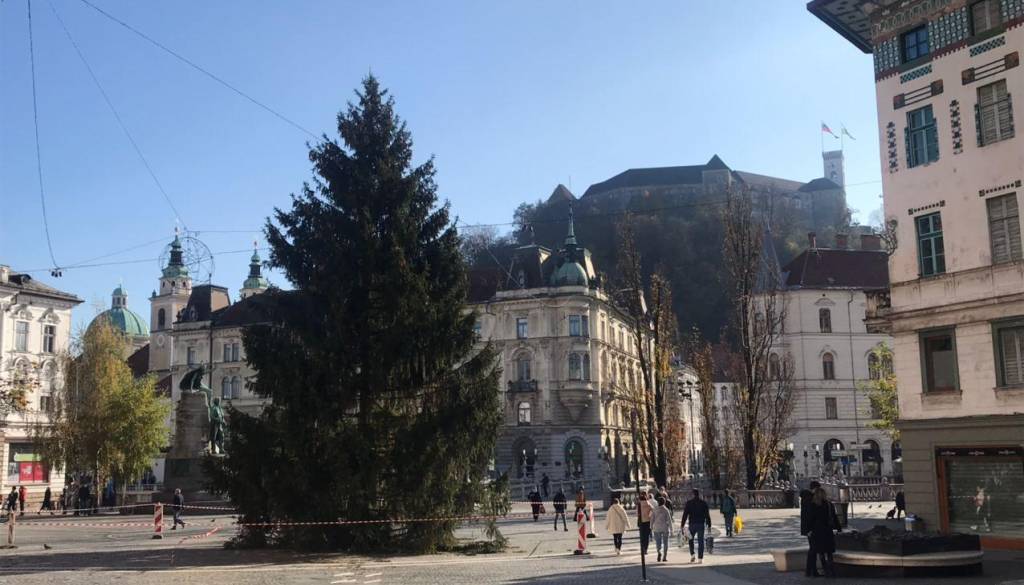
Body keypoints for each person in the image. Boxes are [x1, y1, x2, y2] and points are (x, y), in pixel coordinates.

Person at [808, 487, 840, 577]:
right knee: (829, 553)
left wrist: (809, 530)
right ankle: (832, 571)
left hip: (817, 531)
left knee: (821, 552)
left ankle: (826, 570)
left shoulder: (813, 505)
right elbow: (834, 517)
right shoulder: (829, 504)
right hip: (827, 530)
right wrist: (838, 528)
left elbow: (811, 519)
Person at [680, 489, 712, 563]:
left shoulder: (689, 503)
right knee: (701, 541)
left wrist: (682, 524)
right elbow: (707, 515)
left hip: (692, 524)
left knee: (690, 539)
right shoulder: (703, 503)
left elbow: (685, 515)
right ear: (699, 494)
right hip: (700, 523)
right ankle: (700, 558)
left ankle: (692, 555)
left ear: (692, 494)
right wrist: (709, 525)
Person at [800, 480, 822, 577]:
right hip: (811, 529)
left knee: (813, 549)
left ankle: (810, 571)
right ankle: (812, 571)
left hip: (808, 528)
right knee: (813, 549)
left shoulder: (806, 498)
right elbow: (809, 515)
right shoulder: (809, 499)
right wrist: (809, 529)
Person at [652, 495, 674, 562]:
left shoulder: (655, 509)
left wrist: (651, 526)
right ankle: (664, 557)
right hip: (665, 527)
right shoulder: (666, 510)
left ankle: (659, 551)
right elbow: (669, 520)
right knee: (665, 543)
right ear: (664, 502)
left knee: (658, 542)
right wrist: (671, 530)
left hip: (657, 527)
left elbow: (652, 519)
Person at [637, 491, 653, 557]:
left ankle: (642, 548)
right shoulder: (648, 504)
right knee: (647, 536)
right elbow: (653, 511)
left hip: (641, 521)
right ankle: (646, 549)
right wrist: (649, 515)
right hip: (648, 521)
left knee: (642, 536)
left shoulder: (639, 505)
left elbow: (637, 514)